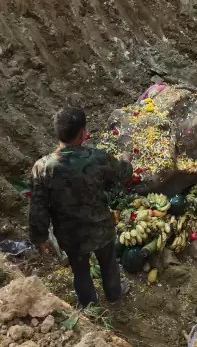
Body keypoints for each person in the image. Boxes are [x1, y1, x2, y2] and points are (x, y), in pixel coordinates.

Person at [29, 107, 133, 308]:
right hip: (100, 228)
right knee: (109, 264)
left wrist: (39, 237)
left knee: (80, 270)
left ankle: (89, 306)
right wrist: (126, 159)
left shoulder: (42, 168)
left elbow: (38, 206)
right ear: (83, 133)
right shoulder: (97, 158)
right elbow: (123, 174)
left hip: (70, 235)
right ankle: (114, 295)